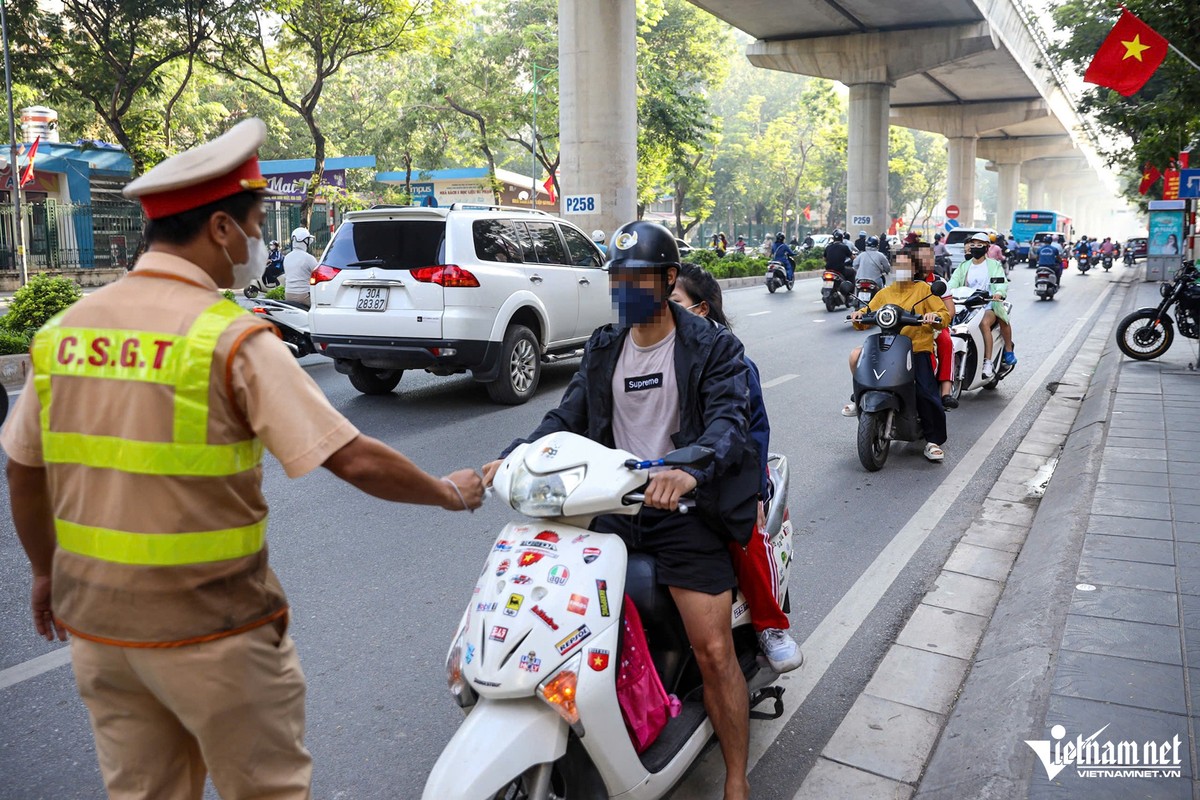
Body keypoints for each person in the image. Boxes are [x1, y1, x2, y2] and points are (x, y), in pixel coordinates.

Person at [1, 118, 485, 800]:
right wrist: (447, 491)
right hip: (213, 634)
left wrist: (45, 573)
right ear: (222, 229)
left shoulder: (62, 334)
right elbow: (351, 458)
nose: (260, 239)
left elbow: (22, 469)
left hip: (100, 634)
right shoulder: (227, 339)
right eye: (256, 223)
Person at [481, 221, 758, 800]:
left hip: (683, 510)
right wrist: (511, 458)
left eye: (638, 278)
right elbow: (565, 418)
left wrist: (687, 467)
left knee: (713, 649)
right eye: (618, 279)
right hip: (612, 506)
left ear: (668, 280)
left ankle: (736, 778)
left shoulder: (711, 346)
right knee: (553, 614)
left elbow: (730, 423)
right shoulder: (606, 347)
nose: (626, 289)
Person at [669, 262, 803, 674]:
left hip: (730, 467)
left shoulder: (728, 358)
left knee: (738, 529)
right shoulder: (643, 353)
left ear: (702, 309)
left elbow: (751, 430)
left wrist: (753, 488)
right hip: (662, 471)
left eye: (674, 302)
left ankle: (770, 625)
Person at [841, 247, 950, 461]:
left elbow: (944, 314)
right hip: (887, 347)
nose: (901, 269)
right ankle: (859, 397)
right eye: (898, 264)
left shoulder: (924, 290)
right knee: (860, 360)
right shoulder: (885, 293)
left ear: (913, 268)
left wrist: (934, 317)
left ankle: (932, 441)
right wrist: (858, 315)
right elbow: (868, 312)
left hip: (916, 349)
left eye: (906, 265)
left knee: (925, 392)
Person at [949, 232, 1015, 379]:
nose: (975, 248)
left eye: (980, 245)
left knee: (984, 324)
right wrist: (946, 292)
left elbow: (1001, 283)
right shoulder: (963, 266)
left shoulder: (994, 265)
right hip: (966, 306)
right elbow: (953, 282)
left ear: (987, 247)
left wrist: (998, 292)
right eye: (973, 245)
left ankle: (988, 362)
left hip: (988, 305)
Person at [912, 244, 958, 409]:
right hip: (908, 325)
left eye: (929, 257)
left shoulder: (939, 282)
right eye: (921, 258)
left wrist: (936, 318)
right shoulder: (904, 282)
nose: (926, 261)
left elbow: (950, 310)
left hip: (934, 326)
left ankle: (946, 391)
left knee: (946, 341)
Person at [283, 226, 318, 306]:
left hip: (288, 295)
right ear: (305, 241)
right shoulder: (309, 258)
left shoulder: (286, 257)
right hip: (304, 296)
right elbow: (318, 273)